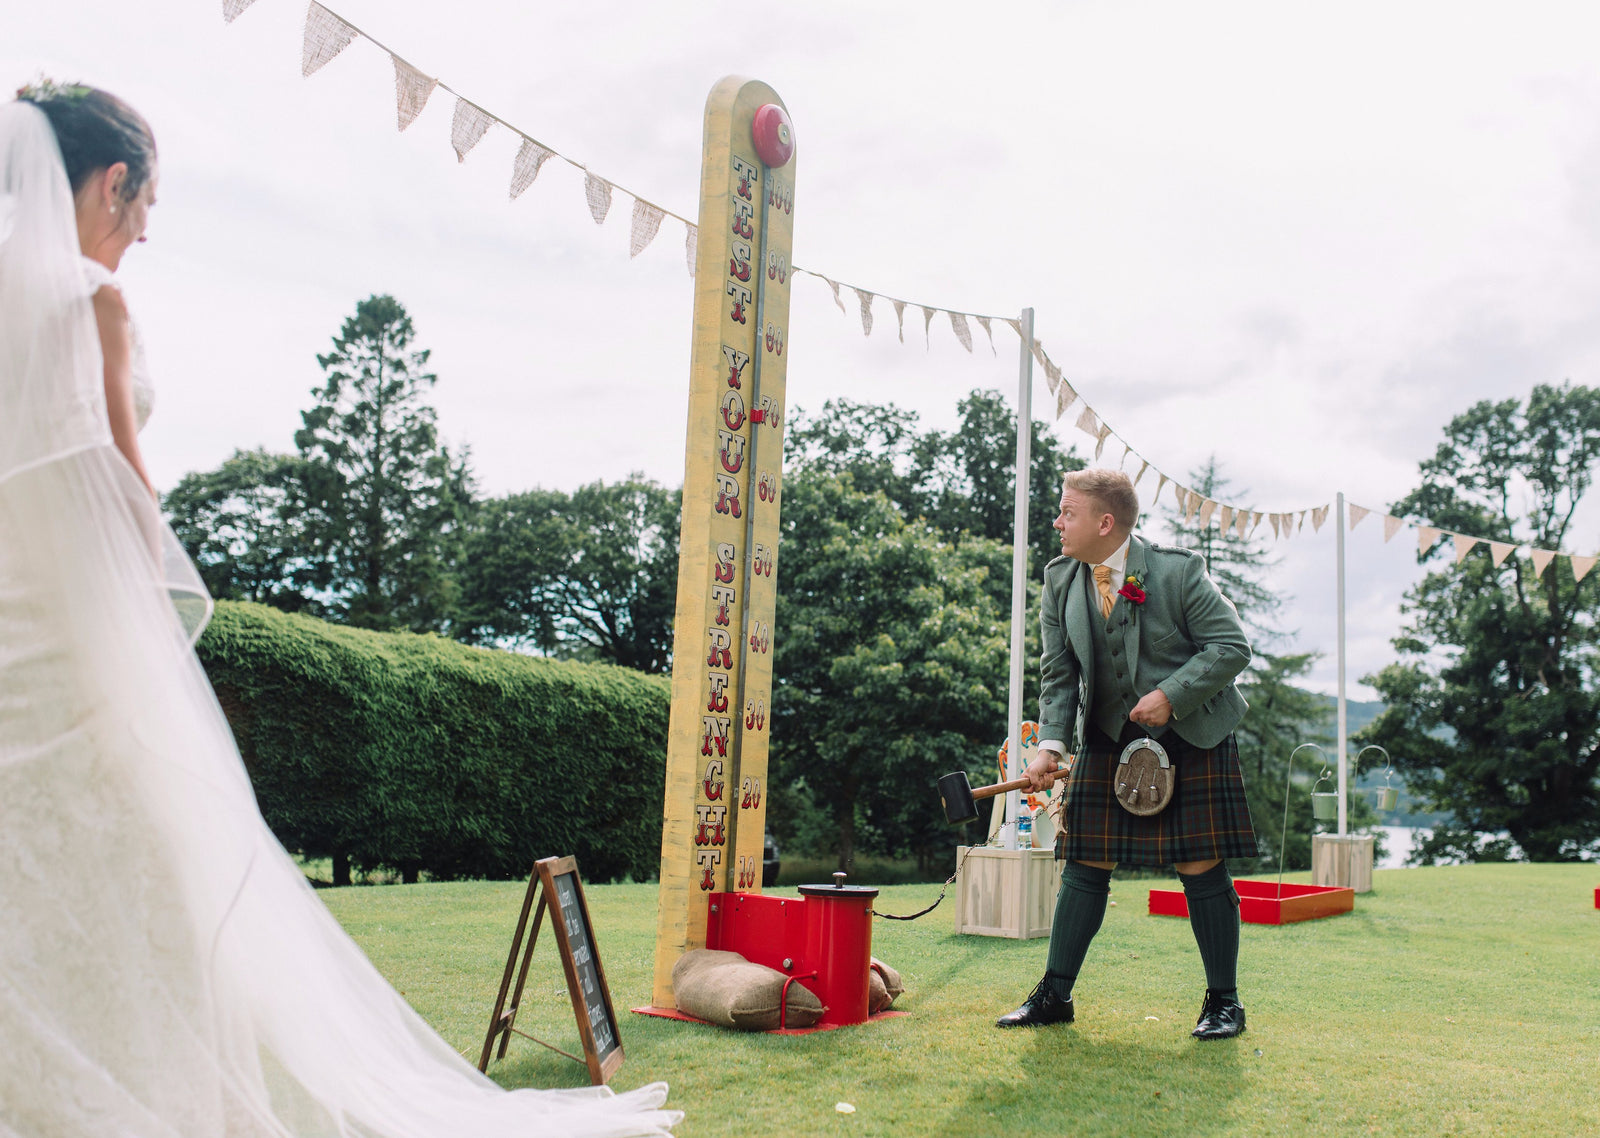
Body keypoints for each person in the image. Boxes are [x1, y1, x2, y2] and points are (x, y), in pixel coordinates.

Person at [0, 84, 681, 1136]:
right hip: (84, 665)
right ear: (111, 181)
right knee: (152, 897)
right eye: (145, 199)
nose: (146, 224)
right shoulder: (92, 303)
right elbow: (133, 503)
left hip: (14, 659)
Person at [995, 468, 1257, 1040]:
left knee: (1201, 866)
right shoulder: (1061, 579)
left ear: (1104, 522)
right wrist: (1050, 746)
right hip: (1109, 737)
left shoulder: (1176, 572)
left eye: (1067, 512)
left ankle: (1224, 1003)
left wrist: (1172, 695)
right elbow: (1058, 674)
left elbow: (1233, 646)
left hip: (1193, 738)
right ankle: (1054, 996)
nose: (1058, 522)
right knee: (1086, 864)